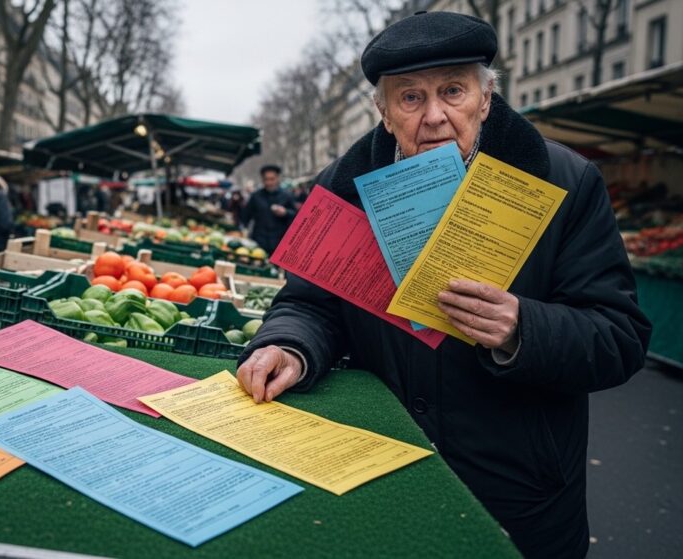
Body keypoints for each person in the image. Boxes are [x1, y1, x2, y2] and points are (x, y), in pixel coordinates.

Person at [235, 11, 650, 559]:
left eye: (453, 91)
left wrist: (521, 328)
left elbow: (619, 336)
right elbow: (309, 303)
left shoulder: (563, 180)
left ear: (485, 98)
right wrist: (289, 344)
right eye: (410, 98)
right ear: (384, 114)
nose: (434, 116)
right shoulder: (343, 186)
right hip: (382, 471)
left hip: (519, 488)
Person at [240, 164, 297, 254]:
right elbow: (246, 215)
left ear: (277, 178)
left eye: (272, 179)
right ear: (262, 180)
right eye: (266, 179)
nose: (269, 183)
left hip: (280, 243)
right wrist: (242, 231)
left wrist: (285, 212)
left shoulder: (287, 196)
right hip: (258, 242)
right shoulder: (256, 196)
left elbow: (296, 216)